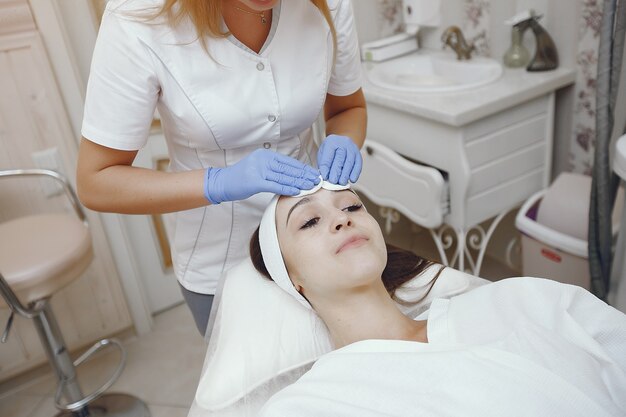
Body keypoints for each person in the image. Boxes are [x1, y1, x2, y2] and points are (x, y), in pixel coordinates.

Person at [76, 0, 367, 335]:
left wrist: (345, 138)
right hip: (223, 264)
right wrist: (218, 182)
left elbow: (349, 107)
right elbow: (95, 181)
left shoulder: (330, 4)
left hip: (320, 246)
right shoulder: (137, 17)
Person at [248, 187, 626, 416]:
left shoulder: (520, 298)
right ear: (291, 278)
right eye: (309, 222)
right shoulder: (305, 406)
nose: (342, 220)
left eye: (351, 206)